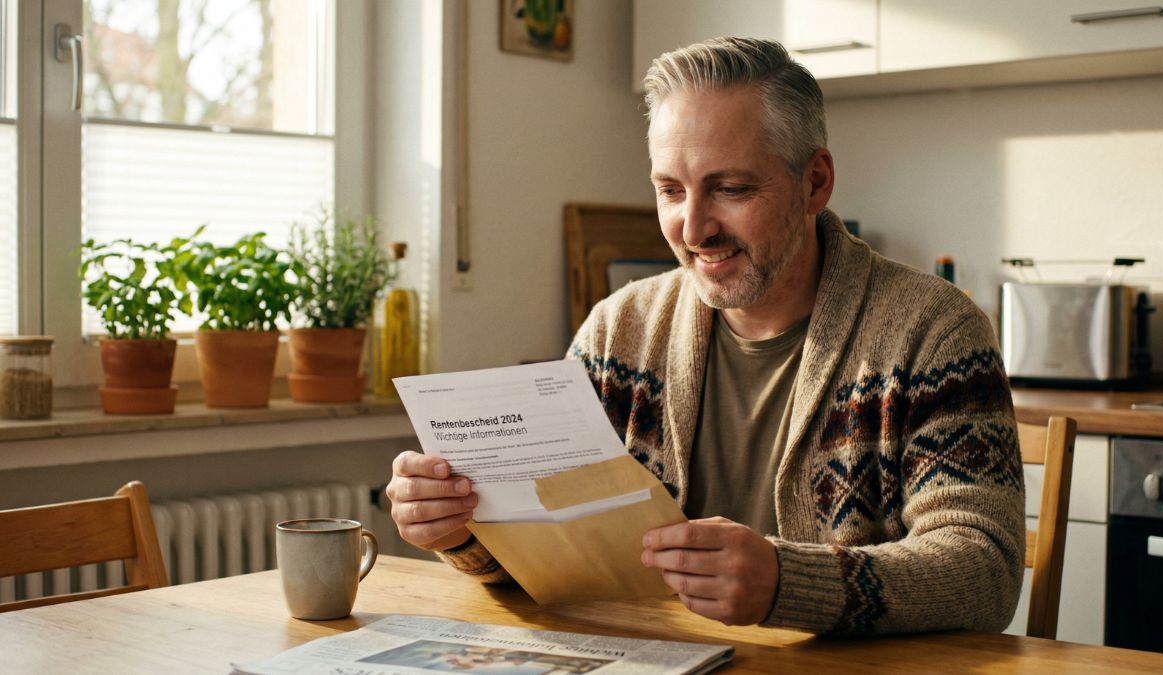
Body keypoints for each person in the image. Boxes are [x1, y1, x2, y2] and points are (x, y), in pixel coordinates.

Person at [386, 37, 1024, 635]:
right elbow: (555, 560)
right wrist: (462, 531)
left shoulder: (933, 332)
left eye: (731, 189)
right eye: (670, 191)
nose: (693, 229)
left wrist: (788, 583)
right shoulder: (619, 332)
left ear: (816, 183)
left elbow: (984, 571)